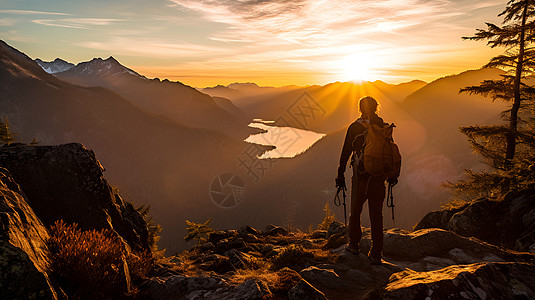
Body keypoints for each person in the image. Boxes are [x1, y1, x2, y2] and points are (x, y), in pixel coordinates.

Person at [335, 96, 397, 265]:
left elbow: (346, 151)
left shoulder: (355, 127)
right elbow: (389, 153)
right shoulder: (383, 127)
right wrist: (391, 175)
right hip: (379, 178)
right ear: (377, 108)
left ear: (360, 108)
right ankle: (376, 253)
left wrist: (340, 174)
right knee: (377, 215)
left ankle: (354, 245)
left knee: (355, 211)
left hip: (361, 176)